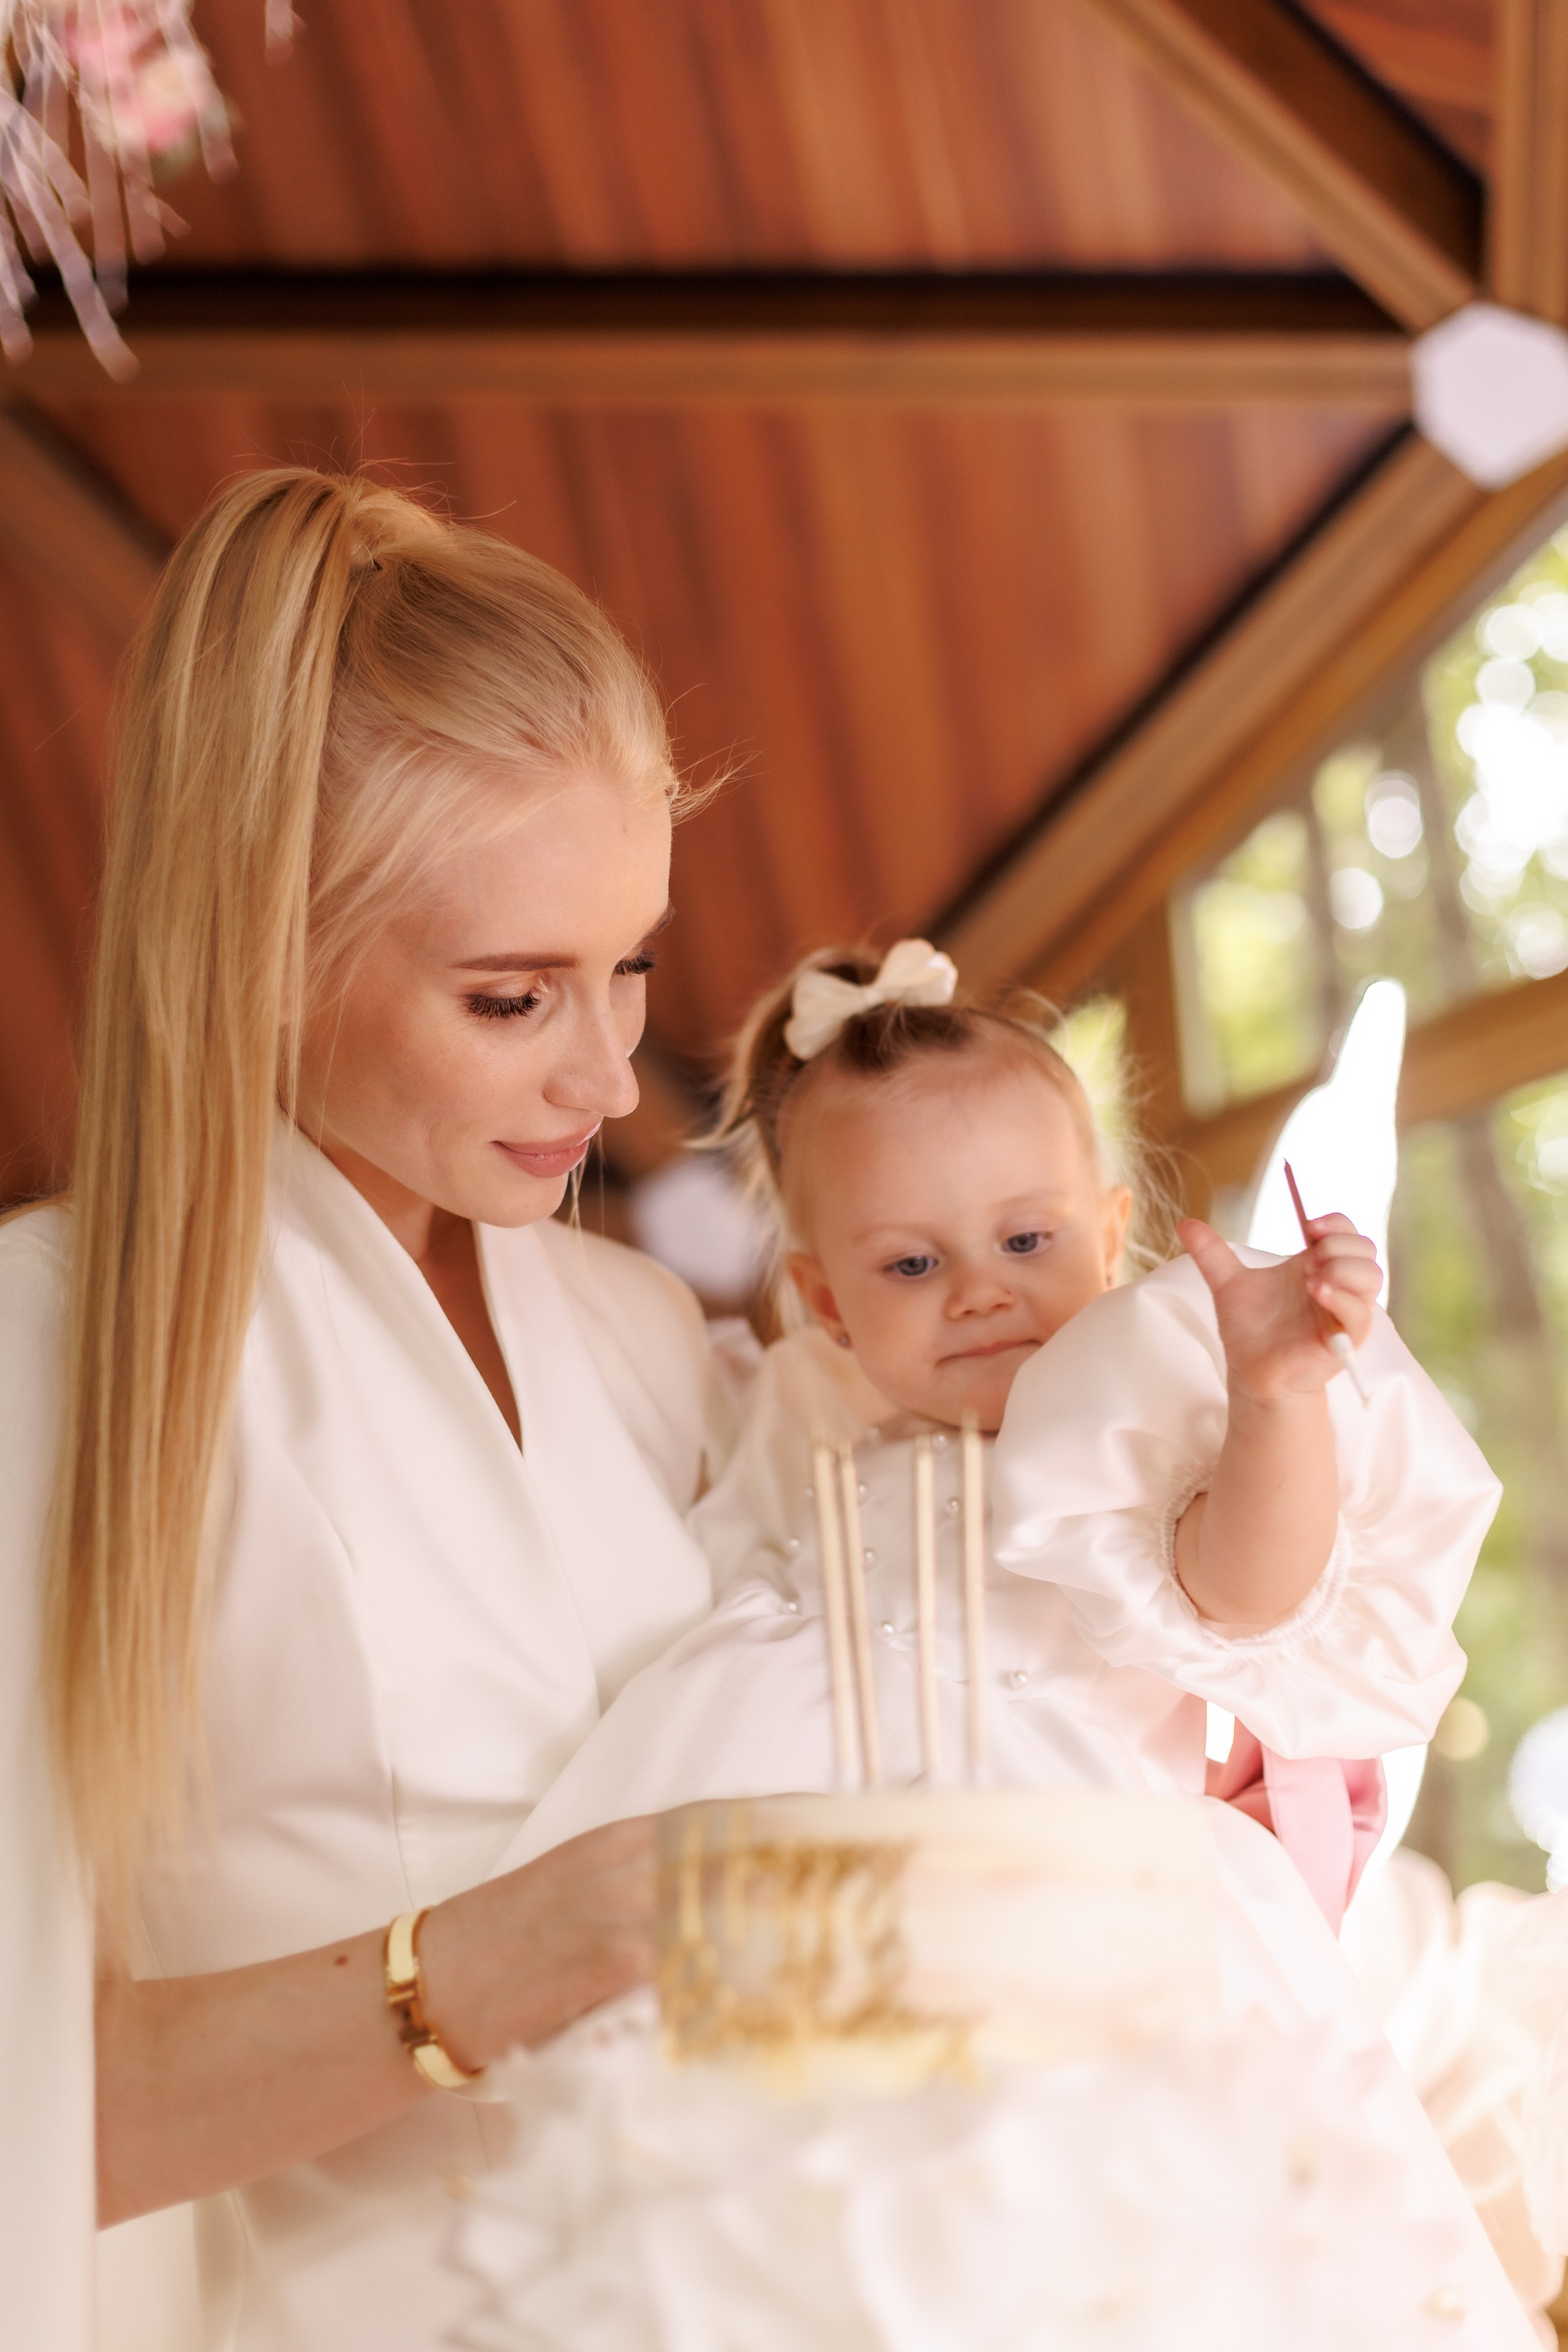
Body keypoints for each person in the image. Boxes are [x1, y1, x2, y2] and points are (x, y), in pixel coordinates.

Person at [491, 940, 1537, 2340]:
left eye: (1024, 1242)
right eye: (911, 1264)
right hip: (804, 1902)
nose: (978, 1290)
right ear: (822, 1303)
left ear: (1111, 1235)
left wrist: (1273, 1392)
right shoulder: (801, 1459)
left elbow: (1241, 1590)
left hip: (1078, 1890)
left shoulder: (1129, 1438)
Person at [0, 466, 735, 2350]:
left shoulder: (656, 1343)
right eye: (511, 997)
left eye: (629, 964)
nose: (610, 1073)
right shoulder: (45, 1359)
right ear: (269, 943)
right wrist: (496, 1965)